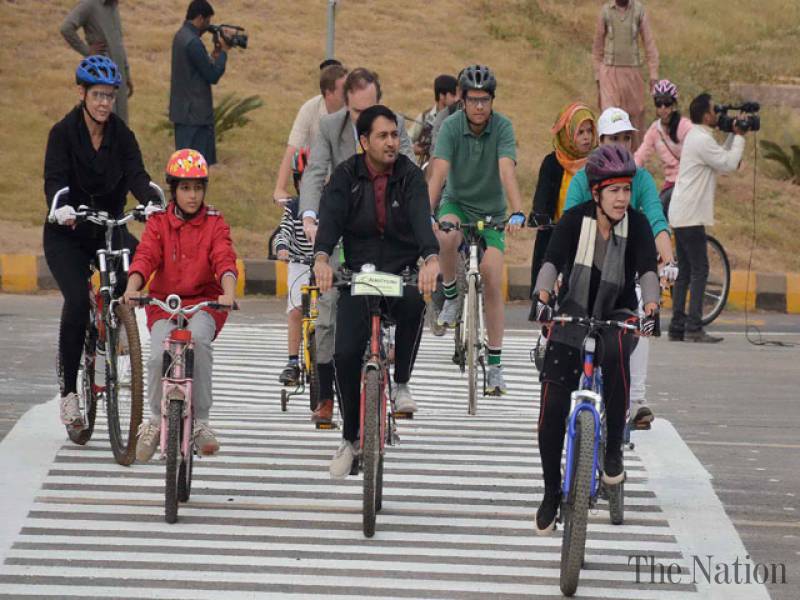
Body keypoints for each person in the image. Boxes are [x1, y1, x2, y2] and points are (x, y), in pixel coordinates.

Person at [531, 145, 659, 534]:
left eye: (627, 189)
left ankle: (613, 450)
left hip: (616, 314)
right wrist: (542, 298)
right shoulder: (574, 220)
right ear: (596, 193)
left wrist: (650, 306)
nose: (622, 198)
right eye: (614, 190)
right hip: (573, 311)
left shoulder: (637, 225)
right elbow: (551, 262)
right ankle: (551, 491)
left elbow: (647, 271)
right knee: (552, 405)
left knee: (619, 348)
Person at [312, 105, 440, 478]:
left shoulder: (410, 176)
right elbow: (329, 221)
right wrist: (322, 259)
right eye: (382, 136)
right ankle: (350, 438)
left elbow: (421, 220)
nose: (391, 143)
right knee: (345, 353)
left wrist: (431, 259)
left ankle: (401, 383)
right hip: (359, 277)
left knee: (416, 301)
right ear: (364, 141)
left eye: (395, 135)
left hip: (400, 273)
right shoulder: (345, 176)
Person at [44, 55, 162, 430]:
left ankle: (108, 333)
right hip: (68, 233)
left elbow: (137, 175)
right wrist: (60, 207)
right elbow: (54, 180)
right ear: (82, 93)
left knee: (139, 267)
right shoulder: (63, 133)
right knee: (78, 301)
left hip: (108, 227)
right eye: (97, 94)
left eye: (110, 96)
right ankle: (69, 393)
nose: (104, 103)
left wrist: (151, 201)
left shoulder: (121, 135)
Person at [298, 68, 415, 422]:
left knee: (408, 294)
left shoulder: (393, 127)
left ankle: (400, 379)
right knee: (328, 303)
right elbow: (315, 172)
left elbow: (411, 174)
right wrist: (310, 215)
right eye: (357, 112)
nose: (364, 117)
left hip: (383, 228)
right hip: (339, 224)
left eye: (371, 108)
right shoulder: (329, 128)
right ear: (344, 104)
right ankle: (326, 395)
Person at [562, 106, 675, 428]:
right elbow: (568, 230)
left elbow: (656, 221)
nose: (621, 144)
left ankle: (635, 400)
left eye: (626, 138)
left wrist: (669, 261)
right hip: (586, 267)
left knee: (641, 308)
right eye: (613, 138)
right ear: (600, 141)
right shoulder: (582, 181)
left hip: (627, 271)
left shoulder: (641, 180)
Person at [124, 149, 238, 462]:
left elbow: (224, 258)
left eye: (198, 188)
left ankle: (201, 422)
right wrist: (132, 288)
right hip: (164, 304)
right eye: (185, 188)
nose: (192, 195)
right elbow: (146, 256)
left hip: (205, 303)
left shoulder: (215, 222)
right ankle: (153, 421)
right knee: (157, 355)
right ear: (173, 190)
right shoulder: (159, 222)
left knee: (199, 342)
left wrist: (228, 294)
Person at [428, 65, 526, 395]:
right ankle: (451, 295)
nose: (479, 106)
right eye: (473, 100)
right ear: (463, 100)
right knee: (446, 235)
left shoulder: (503, 127)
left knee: (492, 275)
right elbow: (439, 172)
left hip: (492, 213)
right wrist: (426, 212)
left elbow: (506, 170)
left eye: (485, 100)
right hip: (457, 203)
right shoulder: (451, 127)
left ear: (492, 100)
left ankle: (495, 367)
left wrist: (517, 210)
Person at [668, 93, 747, 343]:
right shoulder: (701, 139)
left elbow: (720, 157)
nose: (717, 114)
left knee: (685, 271)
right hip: (690, 215)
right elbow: (729, 163)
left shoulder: (698, 136)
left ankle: (677, 326)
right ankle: (694, 327)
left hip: (682, 213)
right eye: (714, 110)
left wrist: (733, 133)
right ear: (705, 116)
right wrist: (740, 136)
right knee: (699, 270)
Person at [528, 102, 597, 294]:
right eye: (580, 132)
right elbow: (542, 196)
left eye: (589, 131)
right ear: (567, 134)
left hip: (588, 235)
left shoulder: (598, 162)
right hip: (555, 234)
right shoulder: (552, 162)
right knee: (546, 293)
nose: (586, 137)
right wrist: (539, 215)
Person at [273, 149, 318, 411]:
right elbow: (284, 232)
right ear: (297, 182)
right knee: (295, 310)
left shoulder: (332, 205)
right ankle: (292, 361)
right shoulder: (293, 207)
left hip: (324, 264)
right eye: (303, 179)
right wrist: (282, 248)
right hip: (300, 263)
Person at [272, 63, 348, 201]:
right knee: (300, 157)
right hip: (314, 176)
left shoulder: (354, 111)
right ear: (329, 93)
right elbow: (293, 148)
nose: (349, 93)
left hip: (345, 180)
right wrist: (279, 189)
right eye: (344, 90)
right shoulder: (309, 109)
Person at [169, 0, 232, 166]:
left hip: (183, 112)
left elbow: (196, 68)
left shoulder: (181, 36)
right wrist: (224, 52)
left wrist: (214, 55)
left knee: (183, 165)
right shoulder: (193, 42)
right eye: (208, 21)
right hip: (195, 116)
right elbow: (212, 75)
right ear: (200, 18)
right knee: (196, 166)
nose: (208, 26)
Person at [592, 0, 659, 148]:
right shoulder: (606, 11)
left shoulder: (639, 10)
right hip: (609, 74)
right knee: (611, 118)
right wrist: (598, 77)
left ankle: (634, 159)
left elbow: (649, 44)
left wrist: (653, 75)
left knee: (634, 119)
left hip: (632, 75)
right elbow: (597, 48)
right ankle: (608, 157)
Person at [61, 0, 133, 123]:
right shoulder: (89, 5)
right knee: (102, 120)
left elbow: (118, 43)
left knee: (120, 123)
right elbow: (66, 28)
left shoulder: (113, 6)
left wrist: (126, 74)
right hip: (100, 74)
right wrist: (87, 51)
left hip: (118, 74)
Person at [634, 79, 693, 212]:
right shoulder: (655, 130)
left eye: (667, 103)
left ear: (674, 104)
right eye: (658, 103)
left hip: (688, 180)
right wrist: (629, 172)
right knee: (655, 213)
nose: (663, 108)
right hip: (670, 183)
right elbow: (641, 156)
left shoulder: (685, 126)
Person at [407, 74, 459, 163]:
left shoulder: (459, 117)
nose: (456, 99)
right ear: (442, 96)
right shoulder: (425, 117)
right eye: (453, 95)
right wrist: (413, 149)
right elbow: (406, 140)